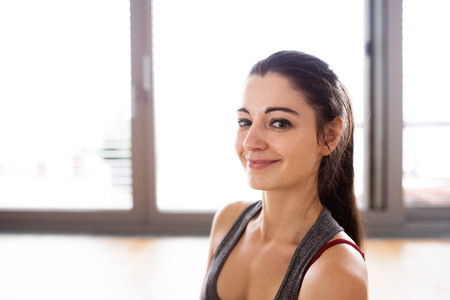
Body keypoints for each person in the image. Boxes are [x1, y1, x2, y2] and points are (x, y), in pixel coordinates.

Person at [201, 51, 368, 300]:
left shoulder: (336, 271)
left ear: (330, 135)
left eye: (279, 123)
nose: (250, 142)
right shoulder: (227, 221)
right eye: (245, 121)